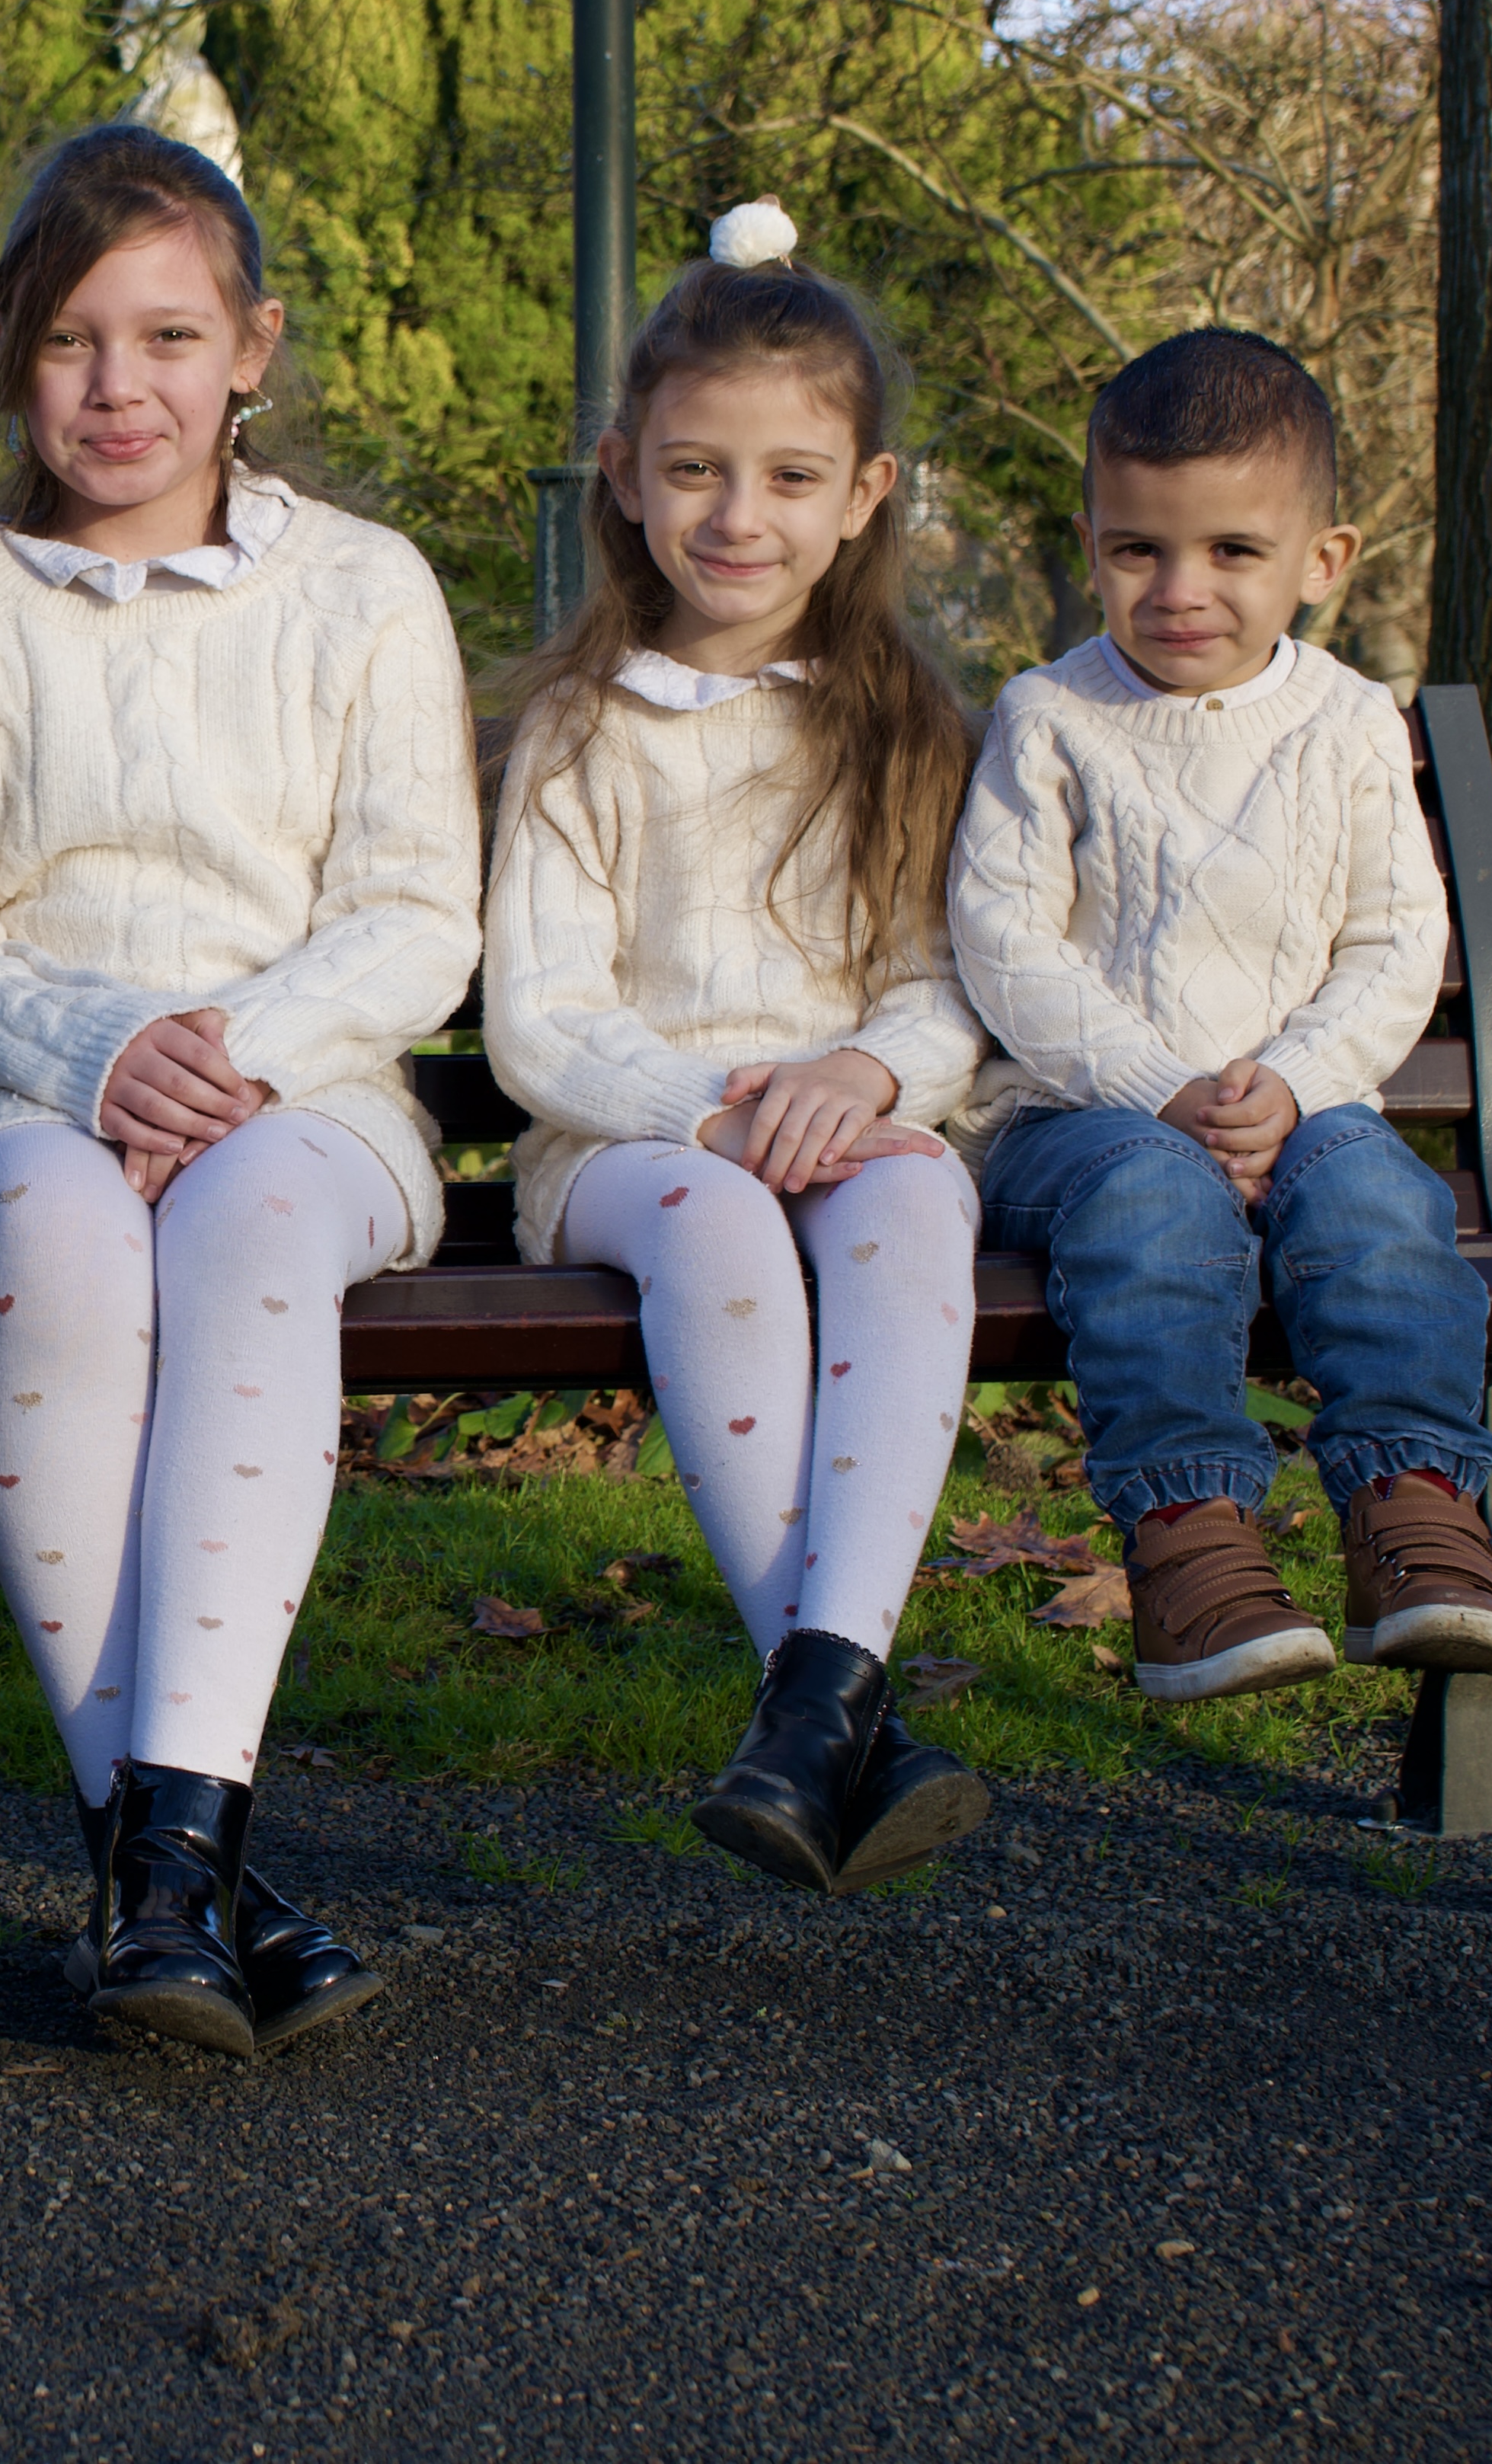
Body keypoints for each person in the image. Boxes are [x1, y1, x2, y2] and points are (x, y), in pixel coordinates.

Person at [0, 123, 480, 2059]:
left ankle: (159, 1875)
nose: (116, 385)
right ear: (12, 355)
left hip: (302, 1095)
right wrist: (90, 1059)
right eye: (69, 340)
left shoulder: (365, 589)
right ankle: (183, 1883)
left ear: (254, 348)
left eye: (165, 337)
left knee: (246, 1228)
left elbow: (412, 913)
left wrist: (221, 1062)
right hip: (31, 1089)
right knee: (49, 1254)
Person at [482, 219, 997, 1893]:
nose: (738, 515)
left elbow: (942, 984)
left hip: (844, 1128)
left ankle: (815, 1707)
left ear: (865, 493)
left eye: (790, 476)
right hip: (624, 1149)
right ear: (625, 474)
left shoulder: (905, 722)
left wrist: (863, 1081)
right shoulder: (581, 726)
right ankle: (846, 1700)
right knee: (714, 1225)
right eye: (697, 469)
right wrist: (706, 1111)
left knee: (922, 1202)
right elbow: (542, 1017)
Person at [950, 325, 1492, 1706]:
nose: (1178, 590)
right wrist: (1161, 1088)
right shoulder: (1047, 718)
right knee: (1154, 1201)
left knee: (1384, 1209)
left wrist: (1293, 1079)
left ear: (1319, 561)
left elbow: (1396, 939)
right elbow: (1005, 944)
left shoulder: (1343, 721)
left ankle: (1413, 1515)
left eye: (1230, 552)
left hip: (1305, 1106)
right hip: (1080, 1127)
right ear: (1090, 543)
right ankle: (1190, 1544)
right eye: (1138, 549)